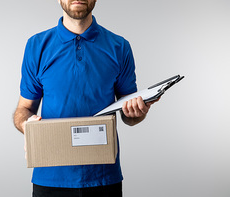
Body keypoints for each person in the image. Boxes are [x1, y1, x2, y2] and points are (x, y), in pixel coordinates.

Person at [13, 0, 159, 196]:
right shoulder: (36, 46)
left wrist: (137, 113)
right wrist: (28, 126)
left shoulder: (119, 47)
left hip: (103, 177)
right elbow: (24, 109)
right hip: (50, 177)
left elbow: (129, 116)